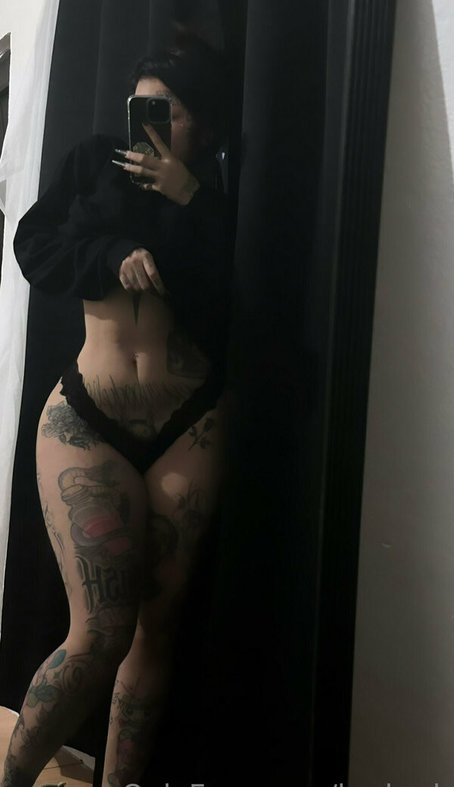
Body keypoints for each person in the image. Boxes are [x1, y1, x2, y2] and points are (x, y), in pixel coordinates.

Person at [1, 32, 233, 787]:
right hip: (90, 414)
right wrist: (109, 255)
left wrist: (190, 198)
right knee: (98, 631)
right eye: (142, 106)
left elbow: (241, 291)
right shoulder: (95, 162)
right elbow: (34, 246)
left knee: (155, 632)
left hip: (188, 419)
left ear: (204, 122)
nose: (151, 121)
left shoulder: (218, 194)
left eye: (170, 110)